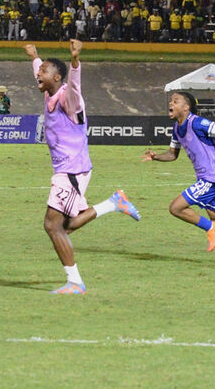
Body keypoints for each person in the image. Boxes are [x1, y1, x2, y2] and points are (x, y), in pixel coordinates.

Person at [25, 39, 141, 295]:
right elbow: (42, 71)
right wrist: (35, 56)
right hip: (72, 168)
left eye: (43, 71)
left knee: (52, 226)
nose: (38, 74)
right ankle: (113, 203)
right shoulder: (50, 91)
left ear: (57, 77)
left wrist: (75, 61)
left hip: (71, 170)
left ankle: (75, 283)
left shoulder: (70, 100)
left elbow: (74, 86)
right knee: (65, 227)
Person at [143, 92, 215, 265]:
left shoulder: (196, 122)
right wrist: (155, 157)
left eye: (176, 101)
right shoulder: (177, 128)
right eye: (170, 101)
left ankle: (211, 228)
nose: (171, 103)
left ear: (186, 107)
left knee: (176, 208)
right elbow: (172, 154)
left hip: (210, 178)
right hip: (214, 177)